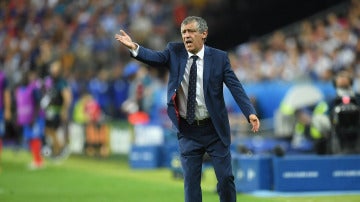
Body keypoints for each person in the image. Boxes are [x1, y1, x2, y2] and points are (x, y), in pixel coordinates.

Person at [115, 16, 260, 202]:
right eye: (184, 32)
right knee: (191, 182)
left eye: (191, 31)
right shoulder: (174, 52)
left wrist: (250, 112)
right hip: (188, 130)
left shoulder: (219, 58)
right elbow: (154, 58)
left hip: (215, 129)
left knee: (225, 179)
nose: (186, 36)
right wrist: (135, 48)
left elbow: (235, 86)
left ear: (204, 34)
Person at [40, 60, 72, 159]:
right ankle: (57, 149)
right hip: (50, 111)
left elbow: (67, 97)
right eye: (52, 67)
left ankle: (59, 150)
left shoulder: (61, 82)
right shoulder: (50, 81)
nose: (52, 69)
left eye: (55, 67)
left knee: (53, 130)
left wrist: (64, 110)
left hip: (58, 110)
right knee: (48, 130)